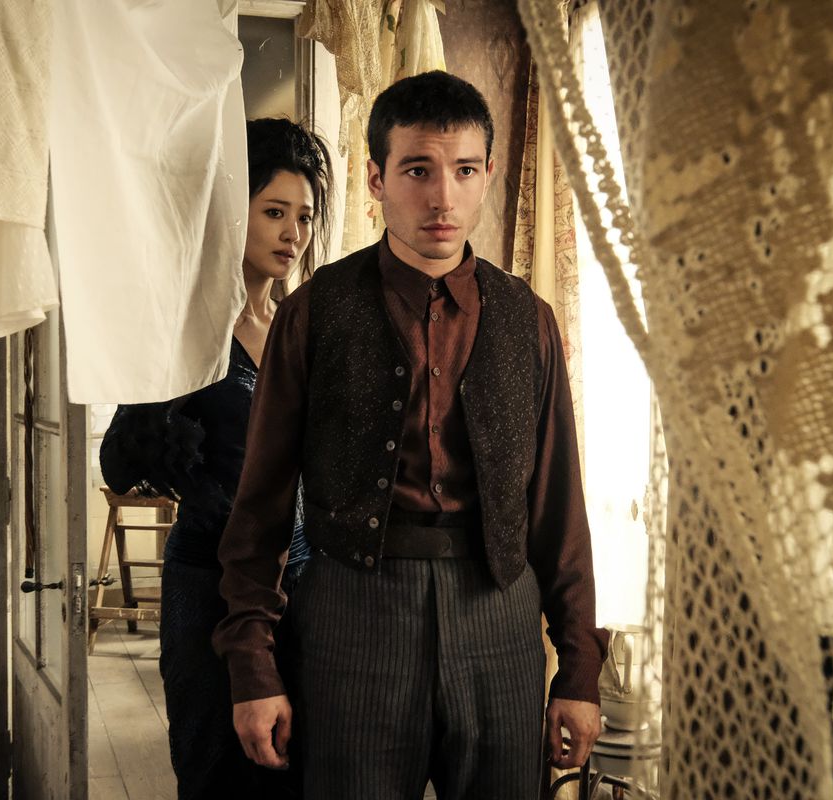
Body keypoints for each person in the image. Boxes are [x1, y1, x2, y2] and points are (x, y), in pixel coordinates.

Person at [213, 71, 609, 799]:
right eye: (418, 170)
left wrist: (580, 669)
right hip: (351, 616)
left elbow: (559, 508)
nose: (443, 198)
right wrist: (253, 665)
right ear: (377, 178)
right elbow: (260, 507)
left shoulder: (529, 319)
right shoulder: (314, 312)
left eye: (465, 170)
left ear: (489, 174)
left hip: (499, 617)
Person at [100, 117, 332, 800]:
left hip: (301, 585)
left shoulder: (300, 328)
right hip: (208, 585)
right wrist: (177, 444)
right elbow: (117, 462)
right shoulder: (190, 327)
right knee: (215, 776)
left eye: (304, 216)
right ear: (234, 212)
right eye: (274, 212)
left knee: (296, 774)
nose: (294, 233)